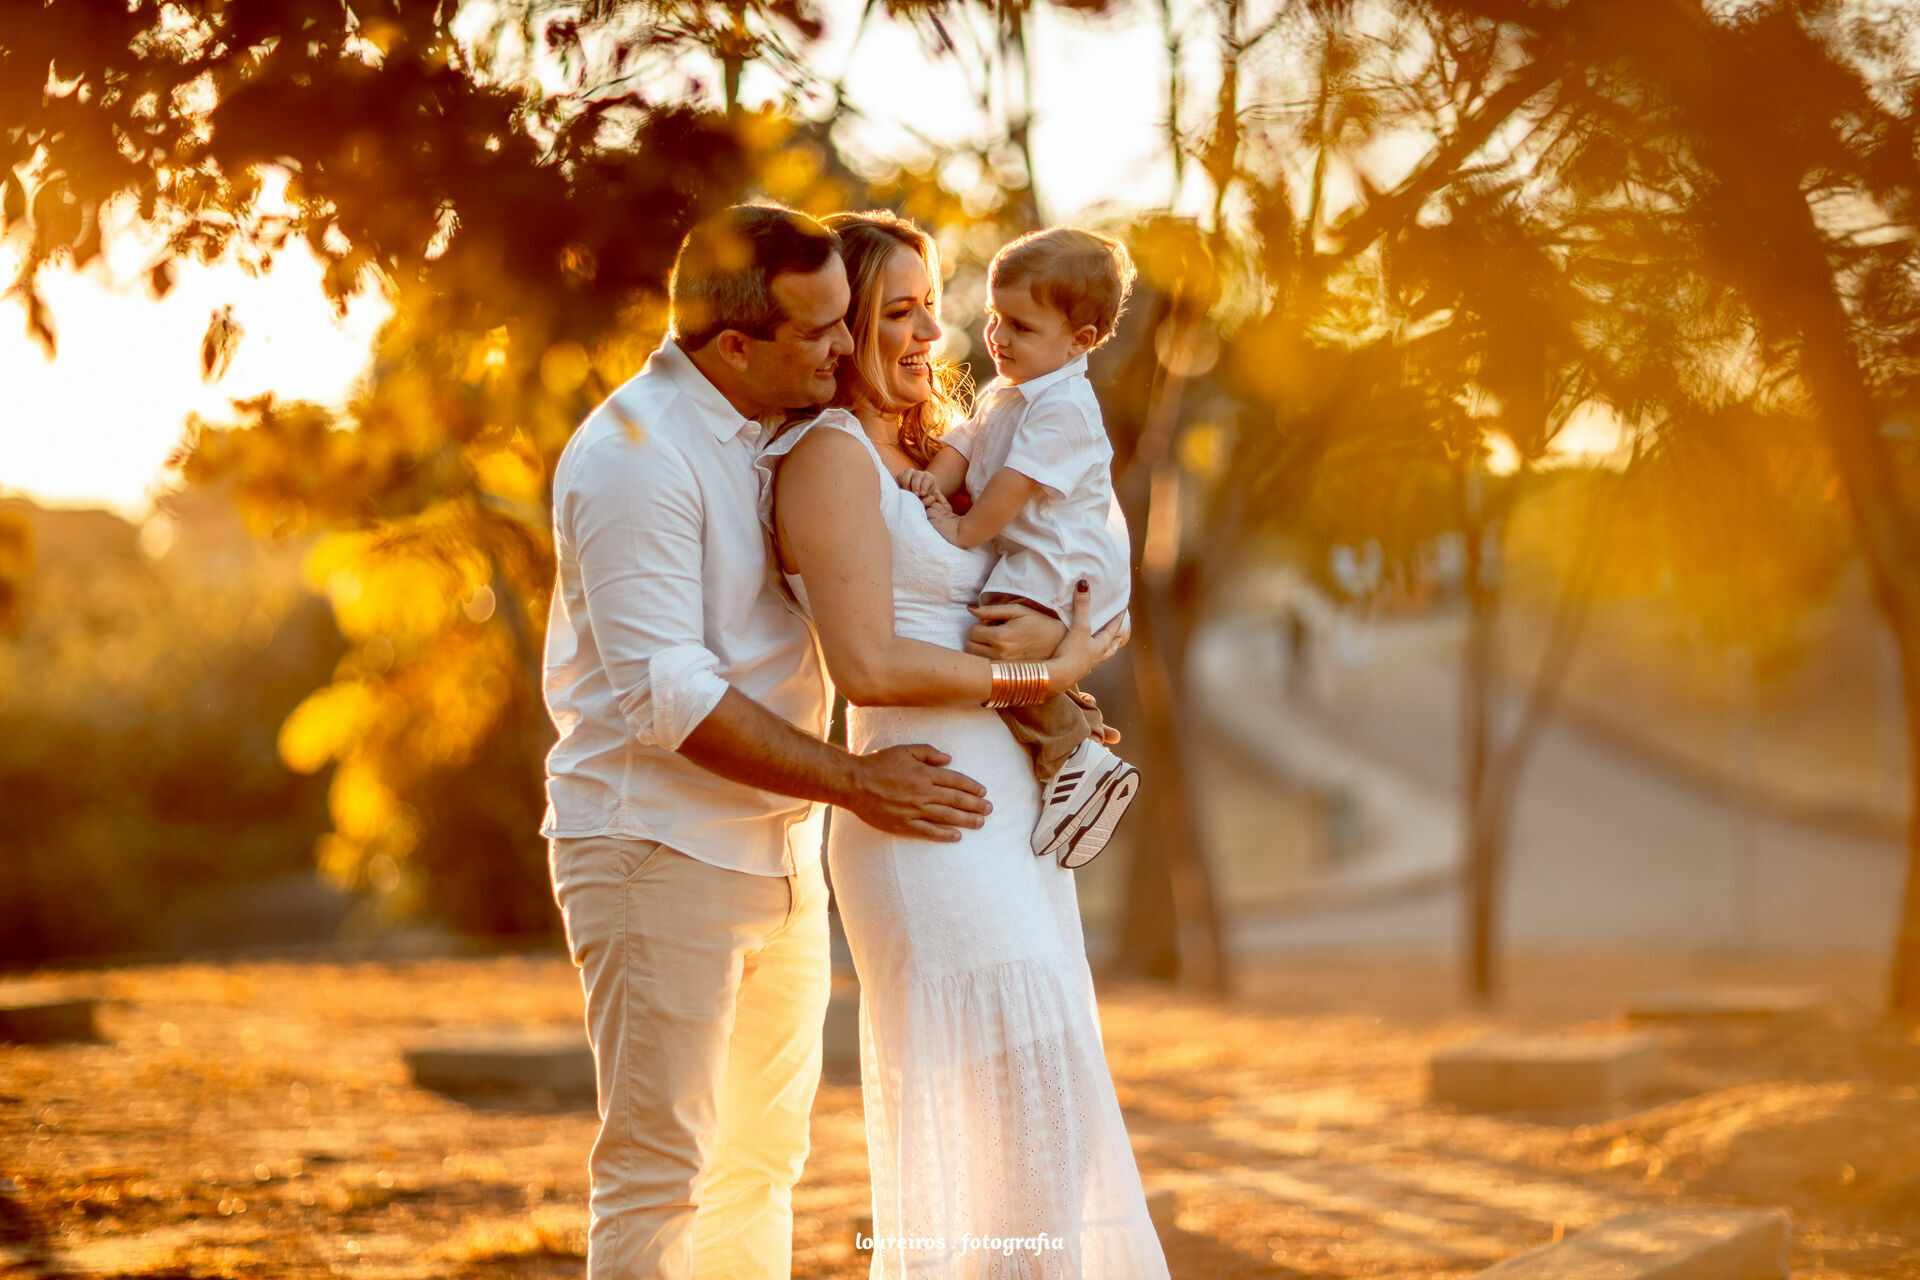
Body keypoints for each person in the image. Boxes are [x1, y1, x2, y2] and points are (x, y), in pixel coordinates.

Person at [543, 204, 1070, 1280]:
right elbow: (670, 697)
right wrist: (856, 782)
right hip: (657, 847)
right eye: (822, 329)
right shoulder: (636, 456)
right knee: (660, 1171)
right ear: (737, 345)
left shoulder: (772, 429)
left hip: (778, 848)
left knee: (760, 1165)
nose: (844, 346)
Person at [760, 209, 1169, 1279]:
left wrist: (1067, 639)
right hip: (930, 820)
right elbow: (866, 664)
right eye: (899, 311)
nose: (930, 335)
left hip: (1006, 819)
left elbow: (1082, 559)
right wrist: (1038, 677)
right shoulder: (829, 456)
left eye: (931, 308)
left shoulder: (949, 442)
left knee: (1044, 1143)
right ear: (844, 322)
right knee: (1025, 1137)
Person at [897, 227, 1139, 868]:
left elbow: (1011, 487)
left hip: (1065, 562)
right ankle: (1080, 728)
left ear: (1079, 340)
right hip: (1037, 555)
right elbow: (965, 444)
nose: (997, 336)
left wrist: (960, 530)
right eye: (995, 317)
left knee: (996, 636)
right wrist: (926, 484)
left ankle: (1072, 755)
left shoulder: (1065, 408)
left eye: (1021, 327)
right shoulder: (1009, 391)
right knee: (1002, 635)